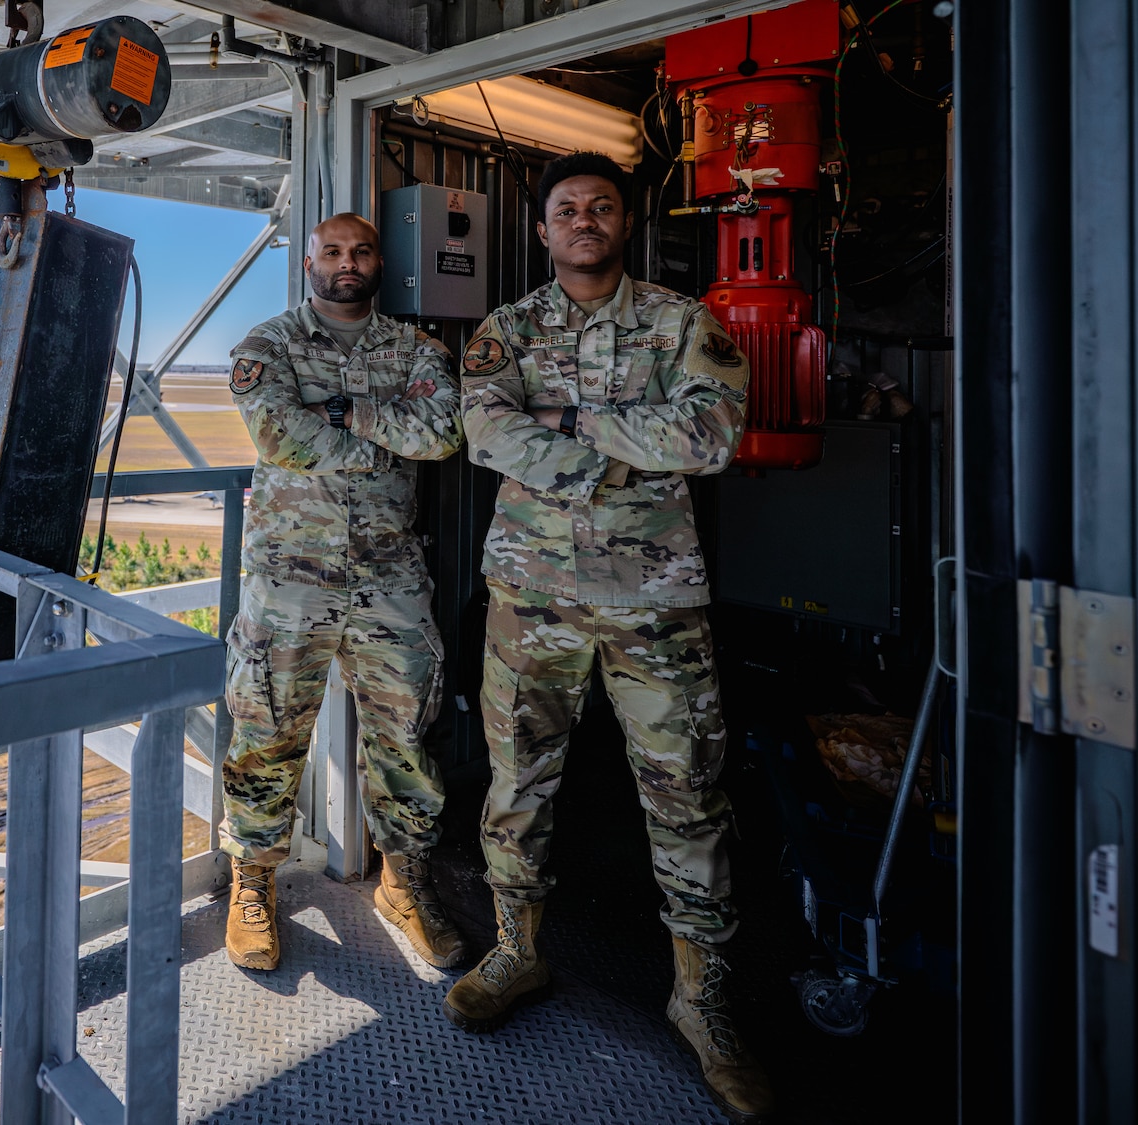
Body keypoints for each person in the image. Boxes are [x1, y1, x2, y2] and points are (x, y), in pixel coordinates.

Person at [451, 152, 776, 1123]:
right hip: (531, 598)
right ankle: (515, 949)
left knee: (684, 791)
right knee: (518, 777)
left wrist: (564, 417)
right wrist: (618, 445)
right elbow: (481, 430)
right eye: (563, 210)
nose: (581, 220)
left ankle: (700, 999)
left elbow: (711, 434)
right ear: (542, 231)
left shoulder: (683, 322)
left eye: (598, 207)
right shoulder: (503, 329)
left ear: (621, 224)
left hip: (653, 599)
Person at [220, 212, 465, 972]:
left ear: (379, 263)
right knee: (266, 731)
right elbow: (281, 439)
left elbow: (445, 434)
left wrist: (346, 412)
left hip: (390, 577)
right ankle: (252, 882)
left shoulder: (417, 348)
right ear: (310, 263)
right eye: (331, 251)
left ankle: (404, 883)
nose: (346, 262)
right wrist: (386, 440)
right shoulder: (266, 345)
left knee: (406, 741)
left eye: (360, 250)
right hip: (291, 578)